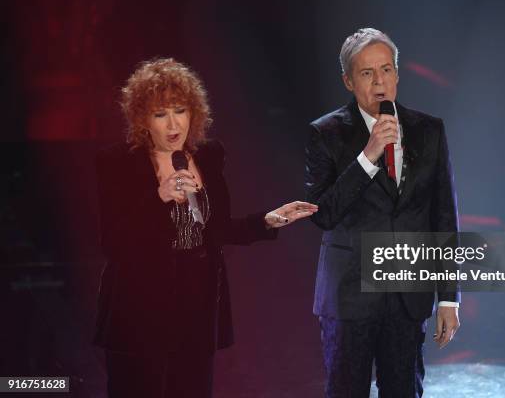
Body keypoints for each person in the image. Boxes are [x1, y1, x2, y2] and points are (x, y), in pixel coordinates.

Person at [94, 57, 317, 398]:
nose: (173, 124)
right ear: (142, 119)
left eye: (179, 110)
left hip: (196, 304)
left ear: (193, 112)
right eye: (160, 114)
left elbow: (219, 230)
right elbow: (113, 243)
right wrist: (158, 198)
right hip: (139, 309)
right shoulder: (118, 163)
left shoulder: (208, 156)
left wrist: (270, 220)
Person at [305, 28, 460, 397]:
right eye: (367, 73)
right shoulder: (326, 134)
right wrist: (368, 155)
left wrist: (449, 297)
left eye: (386, 70)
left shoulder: (428, 130)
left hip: (407, 296)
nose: (380, 82)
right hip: (349, 297)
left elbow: (443, 216)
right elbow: (323, 214)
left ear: (397, 74)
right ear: (348, 80)